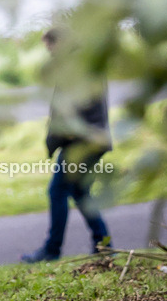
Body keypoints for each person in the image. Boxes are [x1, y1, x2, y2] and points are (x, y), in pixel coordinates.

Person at [22, 27, 112, 263]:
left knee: (58, 191)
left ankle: (52, 250)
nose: (50, 54)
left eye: (50, 49)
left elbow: (69, 111)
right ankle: (104, 243)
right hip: (90, 140)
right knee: (80, 192)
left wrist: (60, 138)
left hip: (80, 143)